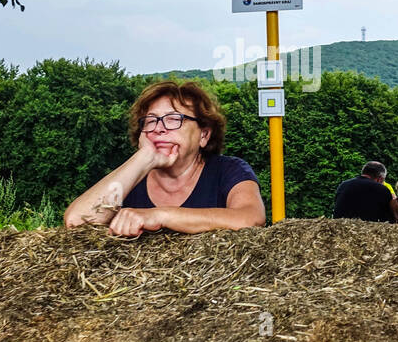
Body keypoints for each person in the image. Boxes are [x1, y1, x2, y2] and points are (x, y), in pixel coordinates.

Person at [64, 79, 266, 236]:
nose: (159, 128)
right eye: (150, 121)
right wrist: (143, 159)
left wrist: (159, 215)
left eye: (173, 119)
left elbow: (250, 218)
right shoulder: (131, 177)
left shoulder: (229, 170)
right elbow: (77, 223)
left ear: (204, 135)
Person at [332, 161, 398, 223]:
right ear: (380, 179)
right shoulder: (382, 189)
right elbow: (390, 219)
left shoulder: (343, 185)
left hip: (339, 228)